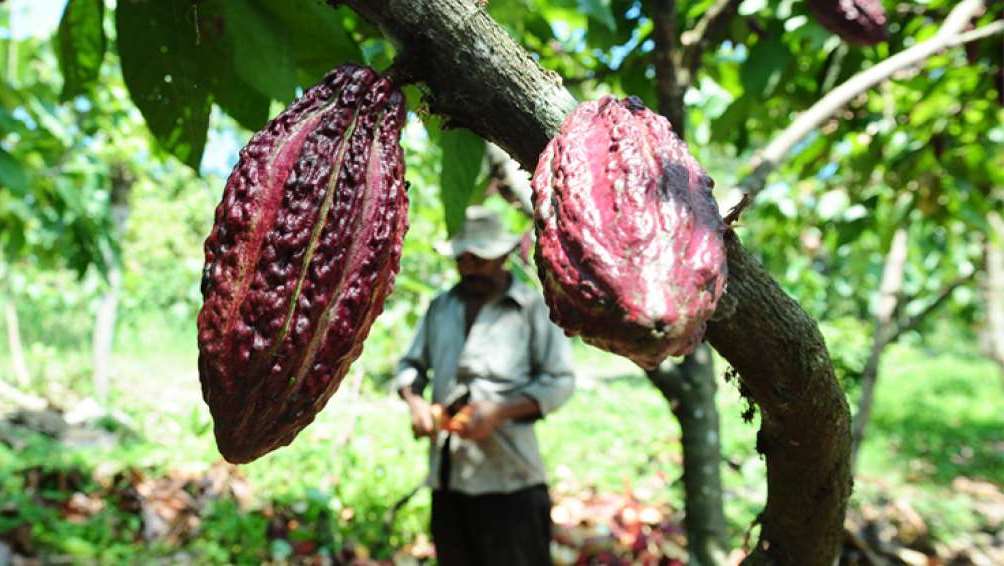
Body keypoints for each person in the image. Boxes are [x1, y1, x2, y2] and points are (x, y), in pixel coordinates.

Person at [394, 206, 576, 566]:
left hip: (511, 481)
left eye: (482, 259)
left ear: (504, 255)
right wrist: (416, 404)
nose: (471, 268)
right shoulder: (440, 307)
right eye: (464, 260)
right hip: (449, 479)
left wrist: (500, 412)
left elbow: (561, 380)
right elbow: (410, 367)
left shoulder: (530, 309)